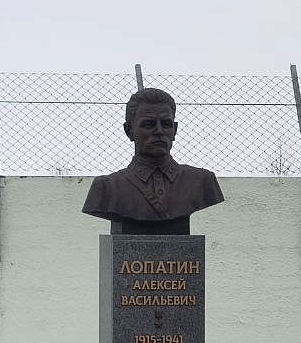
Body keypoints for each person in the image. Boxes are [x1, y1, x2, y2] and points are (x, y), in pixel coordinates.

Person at [81, 87, 224, 234]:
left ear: (175, 130)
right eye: (148, 124)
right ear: (129, 130)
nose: (159, 131)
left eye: (166, 124)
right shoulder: (106, 188)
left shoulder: (202, 182)